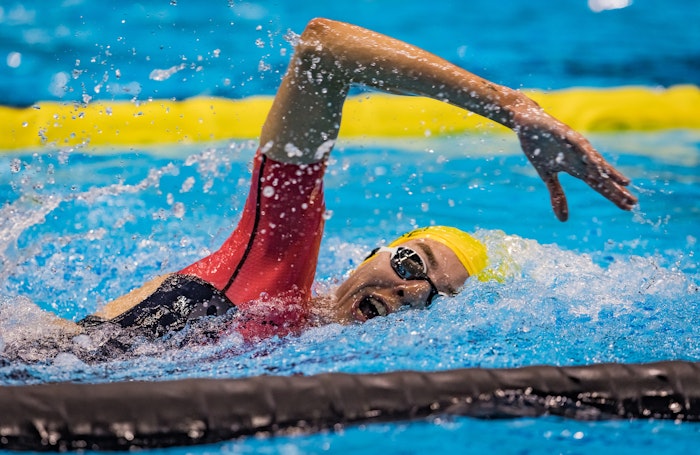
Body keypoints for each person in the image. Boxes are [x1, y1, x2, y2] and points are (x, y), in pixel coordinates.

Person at [73, 18, 636, 342]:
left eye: (436, 297)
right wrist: (512, 107)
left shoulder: (333, 366)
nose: (413, 290)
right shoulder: (272, 272)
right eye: (411, 263)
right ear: (373, 252)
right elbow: (324, 51)